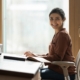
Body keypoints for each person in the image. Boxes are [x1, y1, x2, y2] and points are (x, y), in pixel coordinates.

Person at [24, 8, 76, 80]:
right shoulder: (58, 34)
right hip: (56, 70)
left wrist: (36, 58)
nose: (54, 21)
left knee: (32, 74)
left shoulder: (62, 35)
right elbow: (50, 55)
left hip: (63, 73)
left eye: (57, 18)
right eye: (51, 19)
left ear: (63, 19)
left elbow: (57, 57)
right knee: (32, 72)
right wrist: (34, 55)